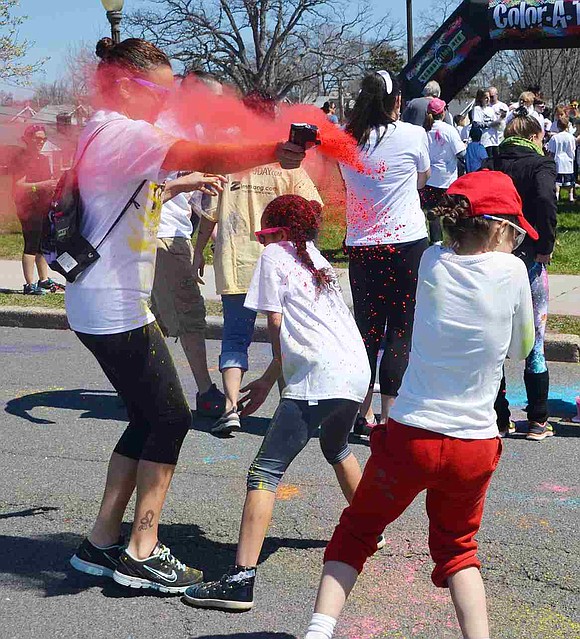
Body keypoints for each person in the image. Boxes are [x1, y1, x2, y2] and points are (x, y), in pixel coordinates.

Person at [67, 36, 305, 594]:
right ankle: (141, 551)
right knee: (170, 419)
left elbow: (131, 191)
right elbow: (203, 154)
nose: (166, 104)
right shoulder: (125, 130)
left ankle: (102, 541)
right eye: (159, 92)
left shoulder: (102, 127)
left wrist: (178, 185)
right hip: (112, 304)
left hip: (101, 298)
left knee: (148, 417)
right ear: (126, 85)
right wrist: (272, 149)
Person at [303, 170, 535, 639]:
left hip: (411, 435)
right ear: (498, 229)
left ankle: (319, 631)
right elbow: (522, 346)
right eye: (513, 231)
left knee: (358, 531)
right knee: (458, 551)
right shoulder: (512, 272)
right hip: (474, 442)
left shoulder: (431, 260)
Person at [182, 195, 374, 612]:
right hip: (355, 371)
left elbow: (275, 322)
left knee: (264, 471)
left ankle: (239, 580)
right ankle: (368, 529)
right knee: (336, 446)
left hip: (319, 374)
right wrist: (271, 380)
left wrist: (275, 380)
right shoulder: (316, 257)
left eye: (267, 233)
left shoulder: (274, 254)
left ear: (282, 233)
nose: (263, 241)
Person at [192, 92, 322, 436]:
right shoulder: (287, 162)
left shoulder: (230, 160)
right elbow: (312, 207)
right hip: (280, 265)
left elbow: (208, 216)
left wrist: (197, 255)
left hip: (236, 262)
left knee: (235, 338)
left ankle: (231, 408)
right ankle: (287, 409)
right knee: (286, 337)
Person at [340, 70, 430, 436]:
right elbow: (423, 178)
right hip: (406, 243)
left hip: (363, 246)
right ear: (395, 100)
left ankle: (359, 413)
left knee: (367, 329)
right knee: (401, 329)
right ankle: (390, 417)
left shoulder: (345, 141)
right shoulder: (412, 134)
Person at [152, 75, 227, 419]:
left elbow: (198, 193)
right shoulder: (162, 127)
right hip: (160, 234)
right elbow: (148, 185)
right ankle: (205, 391)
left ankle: (144, 387)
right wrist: (186, 184)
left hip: (172, 231)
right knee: (190, 314)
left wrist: (208, 233)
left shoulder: (191, 130)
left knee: (153, 317)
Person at [486, 108, 557, 441]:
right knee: (536, 339)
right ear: (533, 137)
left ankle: (500, 418)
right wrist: (545, 241)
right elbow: (545, 198)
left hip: (495, 255)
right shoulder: (540, 164)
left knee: (497, 336)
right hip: (529, 256)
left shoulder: (492, 162)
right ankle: (538, 419)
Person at [11, 124, 61, 295]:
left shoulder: (44, 159)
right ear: (28, 139)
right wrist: (42, 185)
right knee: (31, 244)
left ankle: (44, 280)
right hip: (28, 207)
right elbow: (18, 186)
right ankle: (29, 285)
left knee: (42, 245)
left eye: (43, 139)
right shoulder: (21, 159)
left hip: (44, 206)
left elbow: (48, 183)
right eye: (37, 138)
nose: (41, 142)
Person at [422, 98, 466, 243]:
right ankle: (453, 241)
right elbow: (461, 153)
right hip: (447, 179)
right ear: (443, 112)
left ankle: (436, 242)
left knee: (432, 213)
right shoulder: (449, 129)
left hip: (429, 178)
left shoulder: (424, 130)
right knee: (451, 213)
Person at [548, 116, 577, 203]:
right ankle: (571, 197)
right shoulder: (571, 137)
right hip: (568, 161)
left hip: (558, 161)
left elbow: (552, 151)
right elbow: (572, 149)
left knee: (557, 181)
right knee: (570, 181)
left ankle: (556, 196)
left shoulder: (555, 138)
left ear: (558, 126)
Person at [471, 89, 504, 159]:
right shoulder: (477, 109)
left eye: (489, 97)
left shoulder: (491, 109)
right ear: (481, 99)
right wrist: (490, 124)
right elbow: (477, 124)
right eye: (486, 97)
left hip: (494, 141)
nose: (488, 99)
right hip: (485, 141)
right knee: (488, 161)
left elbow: (497, 124)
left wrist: (501, 118)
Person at [487, 86, 509, 156]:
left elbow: (505, 120)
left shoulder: (502, 106)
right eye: (489, 97)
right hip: (489, 138)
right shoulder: (487, 107)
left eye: (492, 96)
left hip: (500, 136)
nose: (490, 98)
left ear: (497, 95)